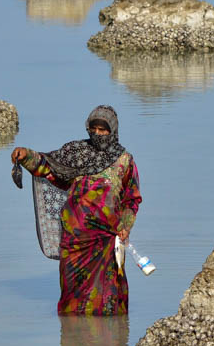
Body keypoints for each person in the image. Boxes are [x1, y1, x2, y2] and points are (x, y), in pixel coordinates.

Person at [11, 105, 141, 315]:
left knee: (107, 298)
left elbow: (131, 198)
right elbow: (49, 166)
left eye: (103, 129)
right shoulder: (76, 153)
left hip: (107, 239)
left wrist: (126, 225)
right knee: (72, 299)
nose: (98, 134)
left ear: (113, 130)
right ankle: (72, 341)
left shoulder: (124, 160)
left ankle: (110, 342)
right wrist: (26, 156)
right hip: (75, 239)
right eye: (94, 128)